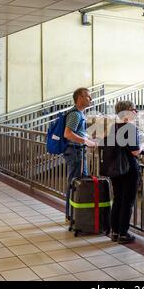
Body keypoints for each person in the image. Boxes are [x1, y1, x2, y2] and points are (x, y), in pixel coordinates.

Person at [109, 101, 143, 244]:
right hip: (129, 169)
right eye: (134, 109)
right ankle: (123, 234)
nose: (135, 112)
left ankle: (115, 232)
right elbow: (135, 151)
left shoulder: (113, 127)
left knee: (117, 200)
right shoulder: (130, 127)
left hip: (115, 169)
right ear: (127, 112)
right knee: (127, 202)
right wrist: (143, 146)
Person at [63, 87, 97, 220]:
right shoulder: (75, 114)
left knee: (79, 183)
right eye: (88, 96)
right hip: (75, 152)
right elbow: (67, 133)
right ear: (80, 98)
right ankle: (71, 214)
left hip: (78, 152)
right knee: (75, 183)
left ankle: (76, 214)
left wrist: (87, 138)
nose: (91, 99)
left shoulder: (79, 114)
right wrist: (85, 141)